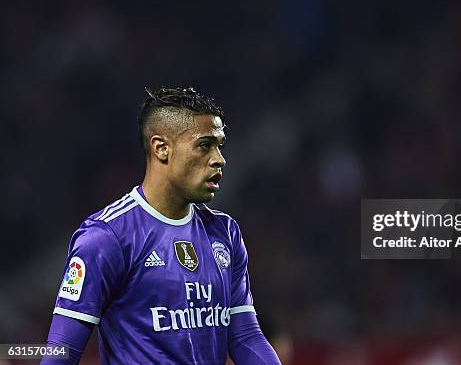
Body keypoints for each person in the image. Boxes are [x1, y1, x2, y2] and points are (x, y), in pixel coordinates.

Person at [42, 87, 282, 364]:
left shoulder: (224, 232)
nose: (219, 159)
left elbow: (245, 336)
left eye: (220, 146)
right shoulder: (106, 237)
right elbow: (63, 350)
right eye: (205, 145)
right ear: (162, 148)